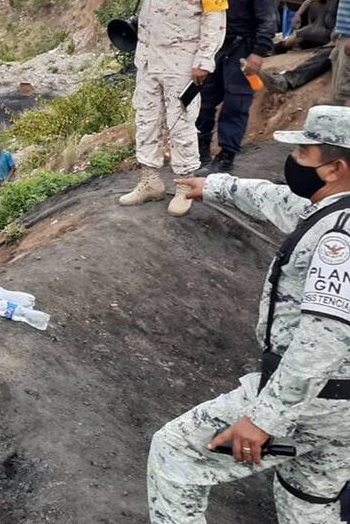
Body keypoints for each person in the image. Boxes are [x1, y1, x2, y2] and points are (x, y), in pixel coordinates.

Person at [150, 105, 350, 523]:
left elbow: (324, 340)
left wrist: (264, 418)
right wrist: (215, 186)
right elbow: (277, 199)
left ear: (335, 170)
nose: (292, 161)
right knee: (307, 497)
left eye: (303, 154)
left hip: (318, 400)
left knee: (176, 453)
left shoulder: (340, 239)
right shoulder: (332, 209)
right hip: (340, 411)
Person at [66, 0, 227, 217]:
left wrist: (205, 61)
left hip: (183, 61)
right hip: (149, 57)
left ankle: (184, 186)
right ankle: (150, 180)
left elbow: (215, 19)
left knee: (181, 122)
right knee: (146, 118)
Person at [196, 0, 280, 176]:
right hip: (215, 45)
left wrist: (258, 53)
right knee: (204, 101)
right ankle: (200, 152)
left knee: (235, 104)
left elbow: (269, 17)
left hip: (242, 49)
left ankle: (225, 158)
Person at [261, 0, 349, 94]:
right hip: (329, 34)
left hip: (333, 36)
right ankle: (268, 53)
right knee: (300, 41)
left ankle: (287, 80)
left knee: (327, 54)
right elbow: (311, 0)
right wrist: (297, 15)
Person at [330, 0, 350, 104]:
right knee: (334, 57)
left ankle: (343, 103)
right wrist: (338, 33)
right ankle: (336, 100)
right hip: (344, 34)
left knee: (345, 78)